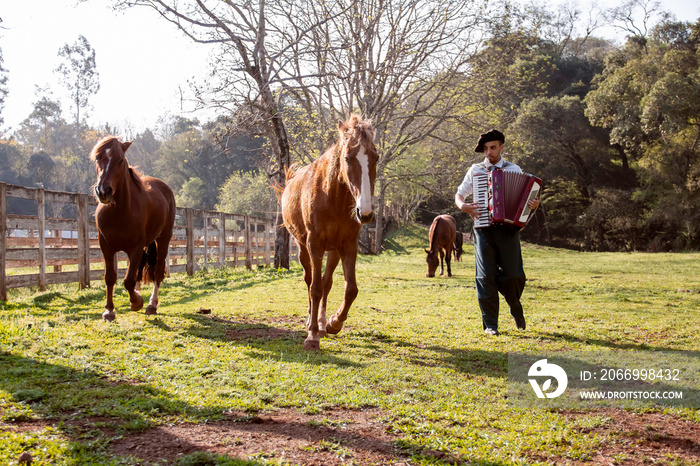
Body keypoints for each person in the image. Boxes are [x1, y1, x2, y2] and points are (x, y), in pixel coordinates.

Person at [454, 129, 539, 336]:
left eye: (492, 148)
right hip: (483, 229)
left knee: (514, 275)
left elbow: (524, 202)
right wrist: (463, 207)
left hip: (509, 229)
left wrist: (533, 205)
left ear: (502, 147)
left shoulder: (514, 169)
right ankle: (490, 325)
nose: (488, 152)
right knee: (485, 277)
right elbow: (459, 194)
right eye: (485, 149)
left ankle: (514, 305)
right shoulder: (475, 170)